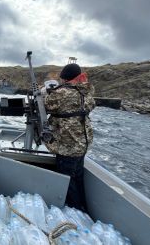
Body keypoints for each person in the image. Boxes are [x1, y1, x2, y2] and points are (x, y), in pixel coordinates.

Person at [44, 63, 95, 212]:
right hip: (82, 144)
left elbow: (46, 104)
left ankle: (75, 213)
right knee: (78, 178)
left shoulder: (61, 93)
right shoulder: (86, 92)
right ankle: (83, 209)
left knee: (68, 182)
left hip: (68, 146)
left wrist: (45, 91)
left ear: (64, 77)